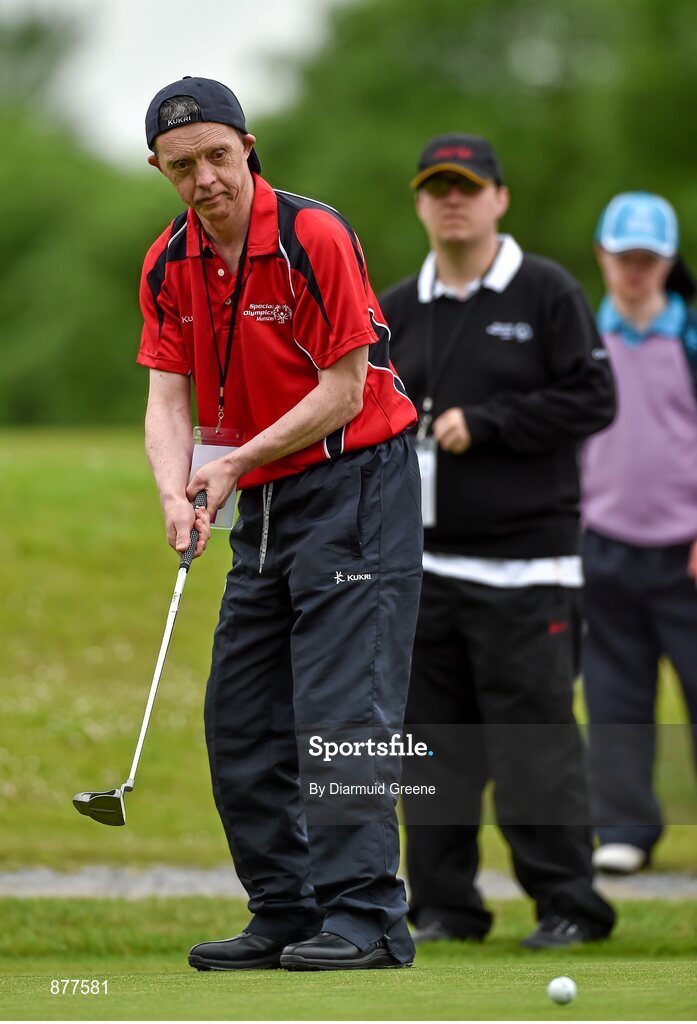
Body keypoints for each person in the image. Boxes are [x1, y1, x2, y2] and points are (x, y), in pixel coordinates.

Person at [137, 76, 422, 971]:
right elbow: (166, 398)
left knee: (342, 714)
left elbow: (343, 392)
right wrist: (173, 489)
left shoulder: (312, 236)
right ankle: (288, 910)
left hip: (357, 484)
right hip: (260, 496)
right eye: (182, 166)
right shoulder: (165, 262)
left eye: (218, 156)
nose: (204, 179)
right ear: (160, 169)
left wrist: (230, 463)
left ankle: (368, 920)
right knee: (240, 719)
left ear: (247, 147)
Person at [380, 133, 617, 948]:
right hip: (422, 570)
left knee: (533, 750)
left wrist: (489, 425)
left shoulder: (544, 290)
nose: (453, 199)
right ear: (418, 201)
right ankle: (444, 907)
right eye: (436, 187)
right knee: (433, 750)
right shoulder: (396, 308)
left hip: (528, 568)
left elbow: (593, 398)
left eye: (468, 186)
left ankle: (568, 907)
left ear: (498, 199)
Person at [581, 192, 697, 875]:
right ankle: (623, 827)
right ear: (601, 255)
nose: (633, 271)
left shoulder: (687, 337)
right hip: (601, 543)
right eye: (622, 258)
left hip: (686, 550)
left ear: (667, 262)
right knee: (612, 694)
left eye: (646, 260)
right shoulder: (581, 340)